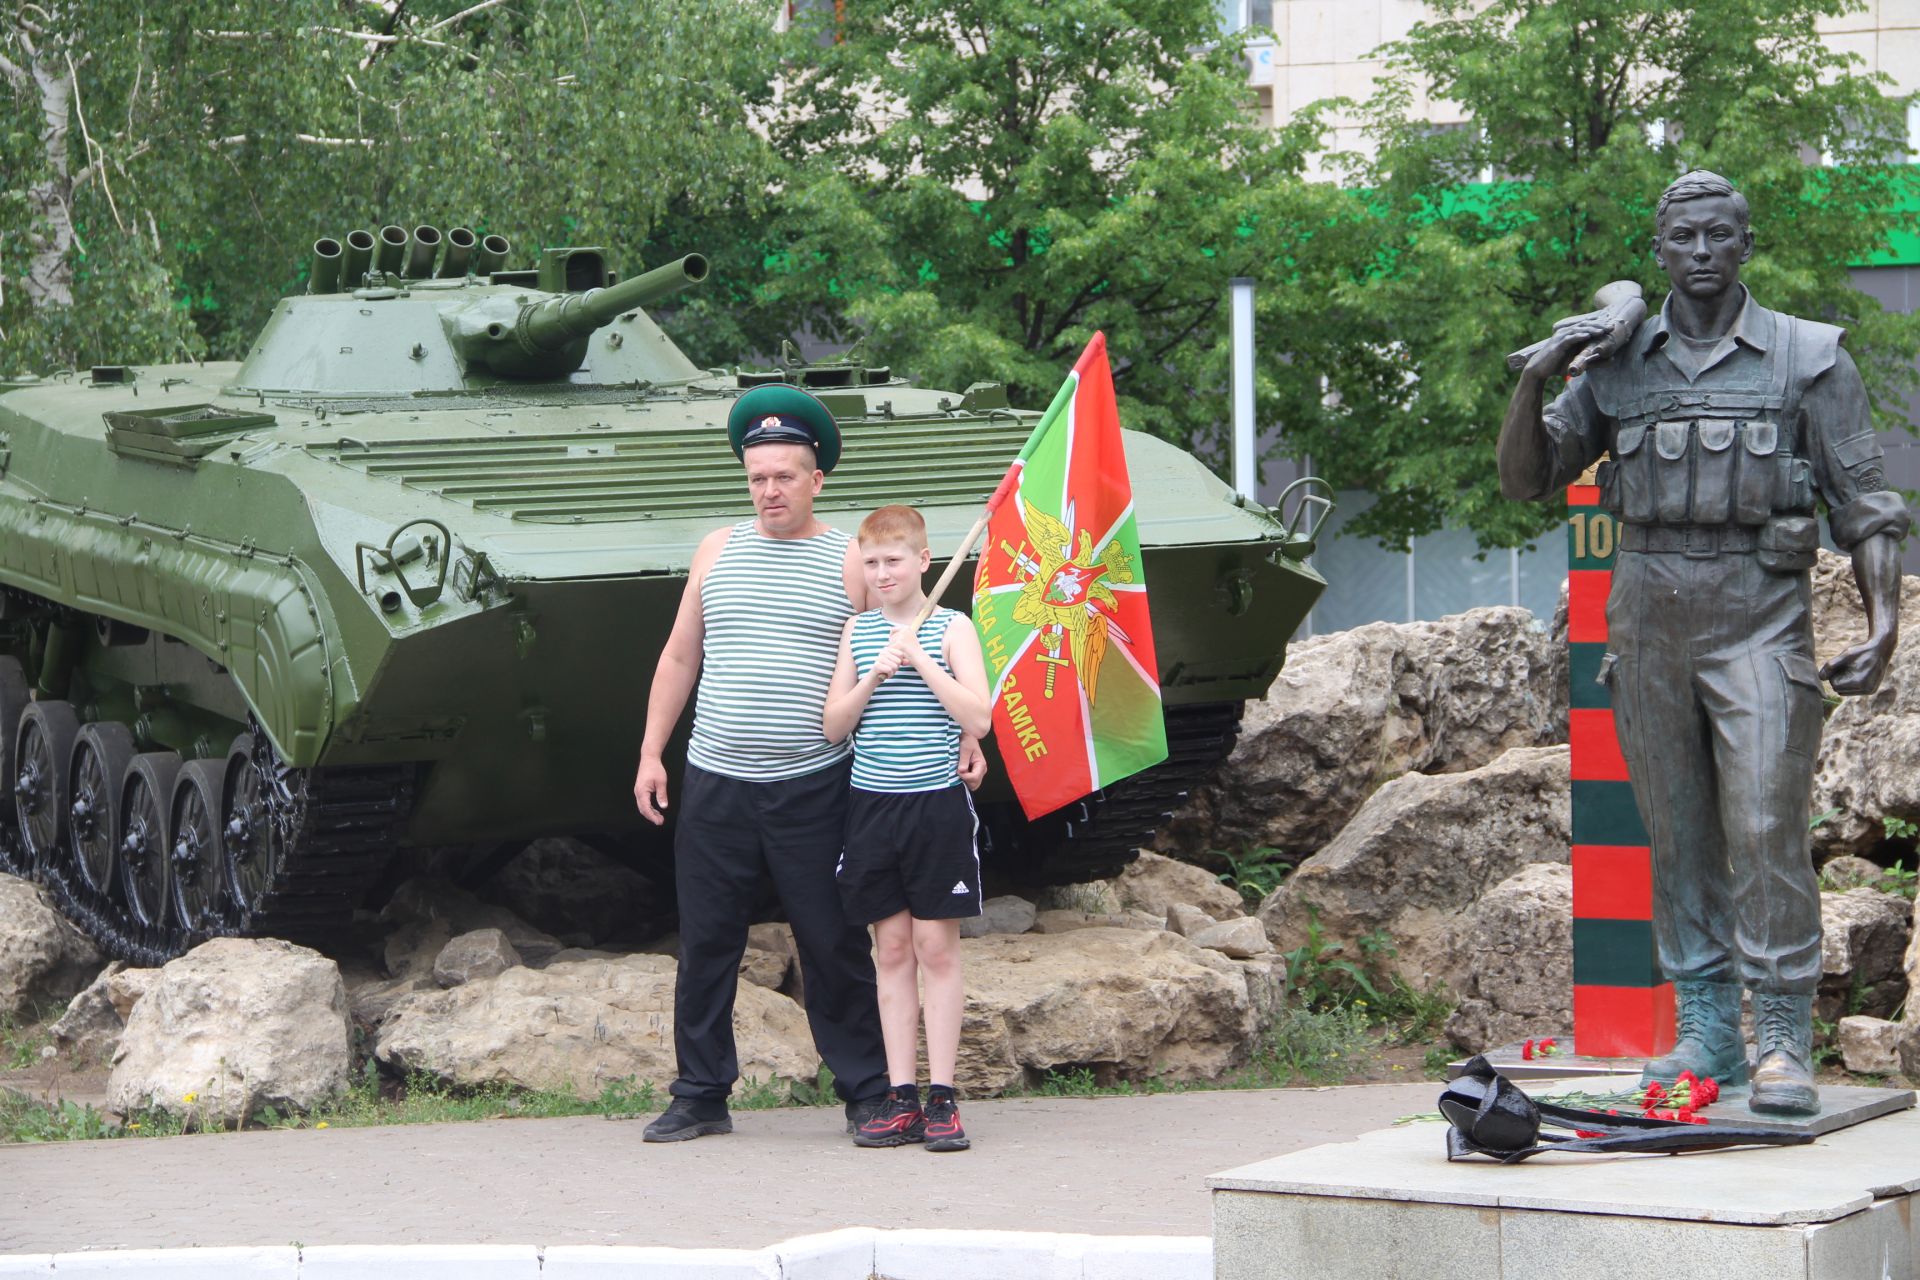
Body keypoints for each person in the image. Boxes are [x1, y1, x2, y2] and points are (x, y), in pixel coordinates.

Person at [1497, 170, 1908, 1115]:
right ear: (1659, 250)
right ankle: (1708, 1029)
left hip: (1760, 618)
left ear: (1744, 243)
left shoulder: (1808, 358)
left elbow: (1866, 505)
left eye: (1720, 235)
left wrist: (1885, 621)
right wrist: (1534, 375)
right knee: (1677, 836)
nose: (1702, 253)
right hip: (1646, 620)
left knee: (1765, 826)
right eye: (1684, 238)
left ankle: (1780, 1038)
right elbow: (1530, 478)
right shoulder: (1617, 361)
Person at [632, 385, 983, 1143]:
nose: (768, 490)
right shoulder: (715, 550)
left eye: (784, 475)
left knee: (831, 939)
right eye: (757, 476)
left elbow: (900, 646)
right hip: (717, 777)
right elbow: (680, 653)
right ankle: (700, 1092)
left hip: (816, 784)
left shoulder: (850, 559)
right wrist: (651, 752)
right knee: (707, 940)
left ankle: (866, 1089)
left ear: (816, 478)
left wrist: (968, 734)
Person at [823, 504, 992, 1152]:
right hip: (871, 809)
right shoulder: (857, 632)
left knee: (935, 950)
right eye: (871, 562)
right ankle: (899, 1097)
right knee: (889, 950)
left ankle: (943, 1098)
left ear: (923, 561)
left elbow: (977, 717)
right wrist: (873, 675)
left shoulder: (952, 628)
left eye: (894, 560)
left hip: (935, 808)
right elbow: (834, 726)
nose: (882, 572)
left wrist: (921, 659)